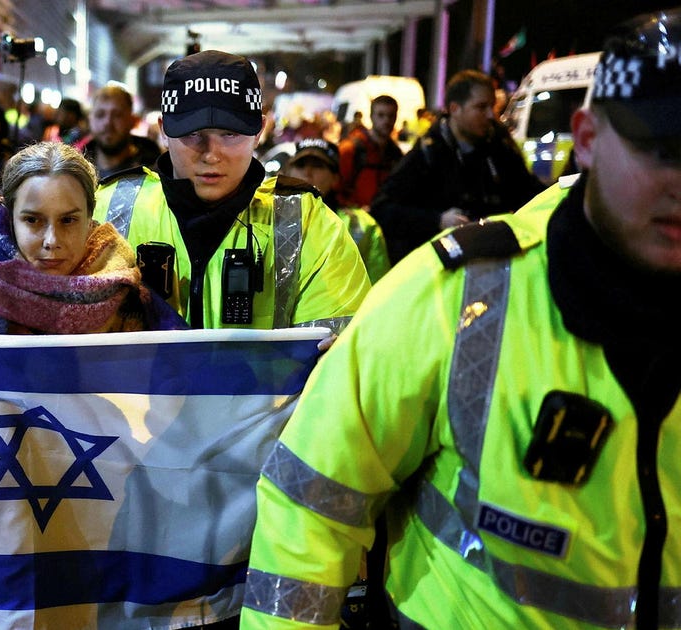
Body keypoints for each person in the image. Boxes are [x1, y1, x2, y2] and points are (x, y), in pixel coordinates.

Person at [243, 8, 681, 629]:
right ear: (586, 140)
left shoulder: (499, 154)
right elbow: (312, 501)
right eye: (662, 150)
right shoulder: (448, 296)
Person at [94, 49, 371, 334]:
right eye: (193, 134)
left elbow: (344, 344)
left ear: (259, 131)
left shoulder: (306, 222)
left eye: (230, 134)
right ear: (164, 131)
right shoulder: (108, 208)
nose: (211, 155)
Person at [0, 141, 187, 334]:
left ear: (90, 218)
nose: (52, 240)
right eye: (33, 220)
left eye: (68, 220)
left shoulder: (128, 304)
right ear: (10, 220)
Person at [370, 70, 544, 264]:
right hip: (441, 266)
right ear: (454, 109)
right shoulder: (427, 154)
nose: (491, 115)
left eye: (492, 106)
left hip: (493, 263)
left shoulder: (500, 149)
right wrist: (438, 220)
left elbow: (530, 194)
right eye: (481, 107)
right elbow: (382, 209)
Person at [285, 138, 390, 284]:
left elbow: (379, 285)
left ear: (335, 178)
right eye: (300, 165)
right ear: (288, 172)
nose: (307, 173)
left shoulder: (363, 226)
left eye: (318, 166)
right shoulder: (267, 217)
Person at [76, 84, 161, 180]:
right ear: (89, 121)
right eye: (100, 115)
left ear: (133, 120)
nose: (107, 122)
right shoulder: (77, 171)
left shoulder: (156, 171)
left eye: (117, 115)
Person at [337, 94, 403, 209]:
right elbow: (334, 188)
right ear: (371, 117)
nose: (386, 121)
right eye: (381, 115)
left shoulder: (395, 153)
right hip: (353, 215)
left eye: (391, 116)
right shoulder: (350, 149)